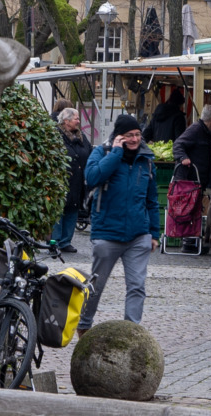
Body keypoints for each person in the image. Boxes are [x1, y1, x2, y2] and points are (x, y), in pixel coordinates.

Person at [75, 122, 159, 333]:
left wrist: (154, 233)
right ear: (118, 136)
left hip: (138, 235)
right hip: (107, 233)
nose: (134, 139)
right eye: (129, 135)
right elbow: (92, 178)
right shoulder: (101, 152)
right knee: (96, 286)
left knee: (137, 287)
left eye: (138, 134)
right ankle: (84, 325)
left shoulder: (146, 160)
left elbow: (152, 200)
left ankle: (132, 332)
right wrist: (115, 153)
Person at [171, 100, 211, 251]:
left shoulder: (203, 131)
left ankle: (192, 241)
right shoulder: (196, 129)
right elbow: (178, 144)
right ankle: (189, 243)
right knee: (189, 211)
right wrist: (183, 158)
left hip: (196, 179)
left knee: (194, 211)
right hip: (189, 179)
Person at [48, 104, 94, 254]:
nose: (78, 121)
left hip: (77, 181)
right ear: (66, 121)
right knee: (59, 211)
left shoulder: (81, 137)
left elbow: (89, 151)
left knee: (73, 210)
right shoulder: (55, 135)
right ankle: (55, 242)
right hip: (61, 180)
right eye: (76, 118)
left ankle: (66, 241)